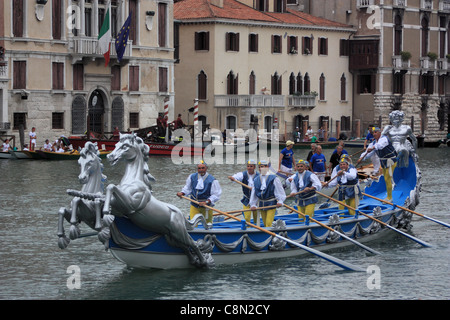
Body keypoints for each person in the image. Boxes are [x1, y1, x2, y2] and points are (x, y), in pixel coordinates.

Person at [177, 160, 222, 224]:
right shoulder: (192, 177)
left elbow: (216, 195)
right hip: (194, 205)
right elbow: (188, 188)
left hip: (207, 207)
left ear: (206, 168)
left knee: (207, 225)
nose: (201, 170)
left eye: (203, 168)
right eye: (199, 168)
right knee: (192, 224)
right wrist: (182, 193)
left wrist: (206, 202)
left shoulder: (212, 180)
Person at [359, 127, 398, 201]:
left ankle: (390, 197)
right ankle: (389, 196)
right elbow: (367, 153)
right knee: (386, 179)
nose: (374, 134)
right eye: (373, 133)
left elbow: (380, 146)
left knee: (387, 178)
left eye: (376, 132)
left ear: (380, 133)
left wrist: (373, 147)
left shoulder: (384, 139)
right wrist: (361, 158)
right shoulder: (373, 143)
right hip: (383, 162)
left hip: (391, 161)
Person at [249, 160, 286, 227]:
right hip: (262, 204)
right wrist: (253, 204)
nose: (261, 168)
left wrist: (280, 200)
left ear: (267, 167)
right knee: (265, 223)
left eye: (263, 166)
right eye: (260, 167)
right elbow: (254, 193)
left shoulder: (274, 178)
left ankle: (270, 235)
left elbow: (279, 190)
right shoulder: (256, 179)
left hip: (271, 203)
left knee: (269, 223)